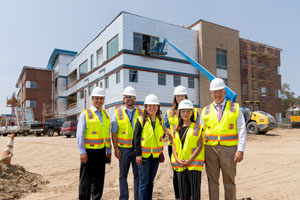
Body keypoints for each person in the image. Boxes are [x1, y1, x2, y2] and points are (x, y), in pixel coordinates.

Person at [200, 78, 246, 200]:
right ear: (211, 94)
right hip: (210, 150)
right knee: (212, 181)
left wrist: (240, 150)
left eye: (220, 91)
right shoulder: (205, 111)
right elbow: (200, 133)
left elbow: (242, 129)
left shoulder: (235, 108)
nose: (218, 94)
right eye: (215, 92)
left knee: (229, 180)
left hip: (229, 150)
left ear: (225, 92)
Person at [164, 85, 200, 200]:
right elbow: (165, 127)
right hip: (175, 146)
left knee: (190, 173)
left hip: (190, 145)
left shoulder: (193, 110)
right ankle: (179, 196)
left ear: (185, 96)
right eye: (178, 96)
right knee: (177, 172)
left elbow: (197, 127)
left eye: (182, 95)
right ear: (175, 97)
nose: (180, 98)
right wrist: (174, 135)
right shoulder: (169, 112)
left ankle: (188, 195)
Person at [76, 87, 111, 200]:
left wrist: (109, 151)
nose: (99, 101)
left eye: (101, 98)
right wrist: (82, 152)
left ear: (103, 99)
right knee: (86, 181)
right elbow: (80, 134)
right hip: (88, 152)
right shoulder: (85, 114)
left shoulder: (106, 115)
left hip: (101, 152)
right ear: (92, 99)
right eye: (97, 98)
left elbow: (107, 135)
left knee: (99, 180)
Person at [111, 86, 143, 200]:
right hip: (123, 149)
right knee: (123, 175)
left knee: (138, 175)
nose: (130, 99)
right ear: (124, 98)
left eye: (132, 97)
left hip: (137, 150)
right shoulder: (117, 113)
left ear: (135, 99)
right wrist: (116, 148)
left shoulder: (141, 112)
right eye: (128, 97)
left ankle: (138, 198)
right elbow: (114, 132)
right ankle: (123, 198)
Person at [171, 99, 205, 200]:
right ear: (180, 113)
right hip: (180, 164)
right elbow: (173, 145)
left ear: (192, 113)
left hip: (193, 164)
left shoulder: (198, 127)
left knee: (195, 193)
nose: (185, 114)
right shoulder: (175, 128)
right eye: (183, 111)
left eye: (188, 111)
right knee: (183, 193)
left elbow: (200, 146)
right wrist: (177, 159)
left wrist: (190, 160)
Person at [134, 94, 165, 200]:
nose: (152, 108)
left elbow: (161, 136)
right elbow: (136, 138)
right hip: (144, 157)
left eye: (154, 105)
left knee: (151, 181)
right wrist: (138, 154)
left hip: (155, 157)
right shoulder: (141, 120)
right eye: (150, 106)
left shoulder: (160, 121)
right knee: (144, 182)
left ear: (158, 107)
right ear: (146, 107)